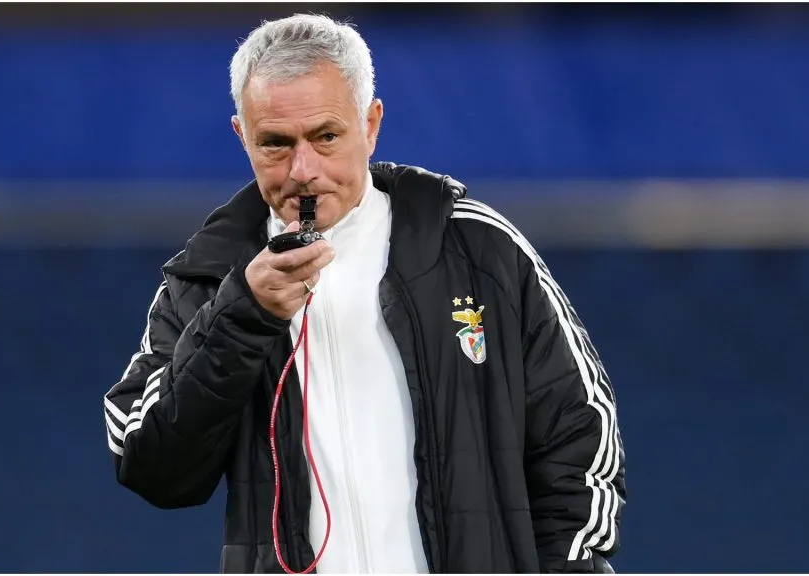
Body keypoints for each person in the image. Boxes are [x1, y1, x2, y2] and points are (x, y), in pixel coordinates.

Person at [103, 13, 626, 574]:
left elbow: (581, 435)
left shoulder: (476, 249)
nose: (303, 169)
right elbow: (153, 468)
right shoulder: (208, 279)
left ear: (370, 123)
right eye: (275, 144)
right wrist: (243, 317)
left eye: (326, 136)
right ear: (242, 136)